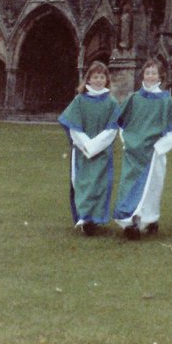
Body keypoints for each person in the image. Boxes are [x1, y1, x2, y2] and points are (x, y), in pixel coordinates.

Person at [114, 58, 172, 240]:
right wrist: (126, 141)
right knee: (128, 187)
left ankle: (149, 220)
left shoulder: (167, 102)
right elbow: (122, 124)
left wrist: (159, 148)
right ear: (142, 75)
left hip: (153, 154)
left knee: (151, 188)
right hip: (133, 152)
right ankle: (130, 223)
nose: (150, 76)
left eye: (154, 73)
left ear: (161, 76)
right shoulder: (134, 99)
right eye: (147, 72)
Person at [58, 61, 119, 235]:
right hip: (82, 152)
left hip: (102, 151)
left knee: (99, 184)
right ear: (88, 80)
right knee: (83, 184)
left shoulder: (111, 102)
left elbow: (111, 130)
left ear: (106, 79)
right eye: (95, 77)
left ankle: (95, 218)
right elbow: (73, 126)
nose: (99, 80)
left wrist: (95, 146)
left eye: (102, 77)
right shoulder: (79, 101)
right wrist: (86, 146)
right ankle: (86, 219)